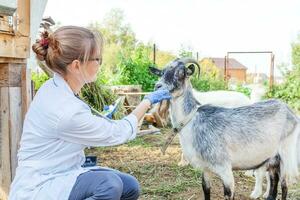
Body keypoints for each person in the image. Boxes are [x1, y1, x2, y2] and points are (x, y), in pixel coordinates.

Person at [8, 26, 171, 200]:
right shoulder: (66, 110)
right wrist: (147, 101)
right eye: (97, 59)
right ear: (77, 65)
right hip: (40, 186)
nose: (100, 64)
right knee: (108, 185)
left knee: (129, 186)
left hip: (63, 170)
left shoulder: (57, 88)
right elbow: (117, 133)